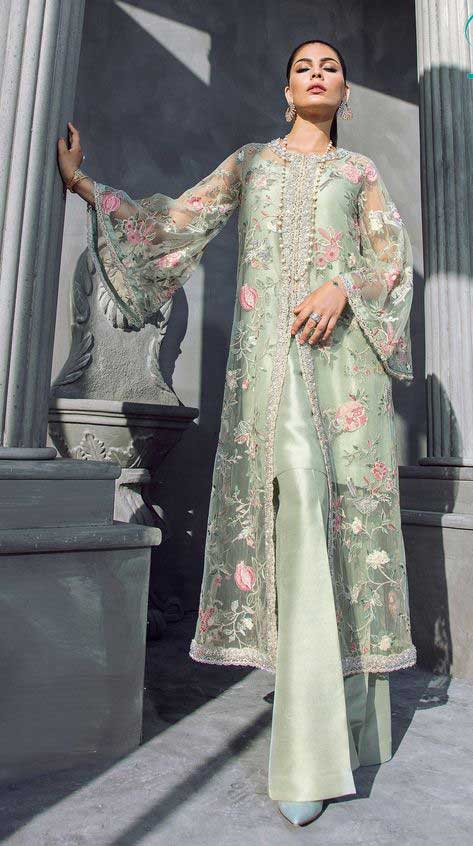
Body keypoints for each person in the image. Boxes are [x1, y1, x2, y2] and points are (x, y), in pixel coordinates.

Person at [57, 38, 416, 828]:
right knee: (300, 513)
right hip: (269, 380)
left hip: (344, 382)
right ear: (286, 92)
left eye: (331, 68)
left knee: (336, 527)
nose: (317, 74)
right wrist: (84, 185)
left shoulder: (359, 174)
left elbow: (393, 262)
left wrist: (342, 283)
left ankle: (340, 723)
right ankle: (311, 748)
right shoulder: (252, 163)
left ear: (345, 95)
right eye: (304, 68)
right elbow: (175, 224)